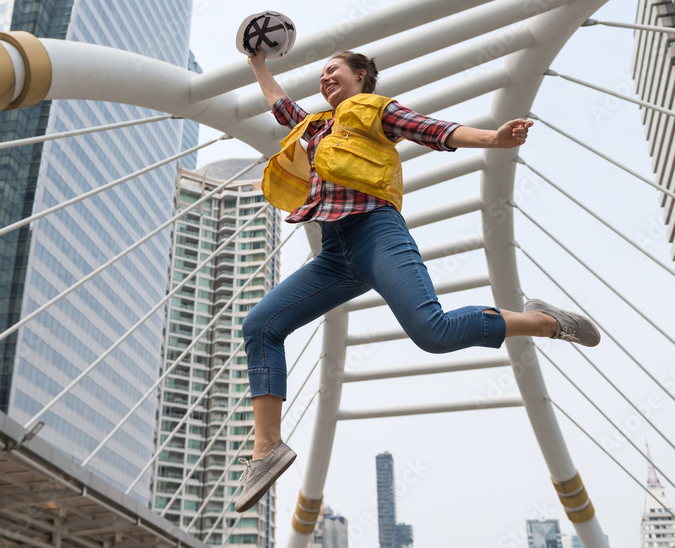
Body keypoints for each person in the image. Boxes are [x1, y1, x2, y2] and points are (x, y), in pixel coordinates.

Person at [234, 49, 601, 513]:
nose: (325, 77)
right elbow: (281, 105)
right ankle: (266, 451)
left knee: (434, 332)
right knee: (260, 326)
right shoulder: (316, 127)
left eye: (335, 70)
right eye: (321, 73)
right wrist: (257, 62)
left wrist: (494, 137)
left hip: (375, 231)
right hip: (335, 252)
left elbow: (430, 129)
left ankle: (543, 321)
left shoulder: (375, 109)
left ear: (361, 75)